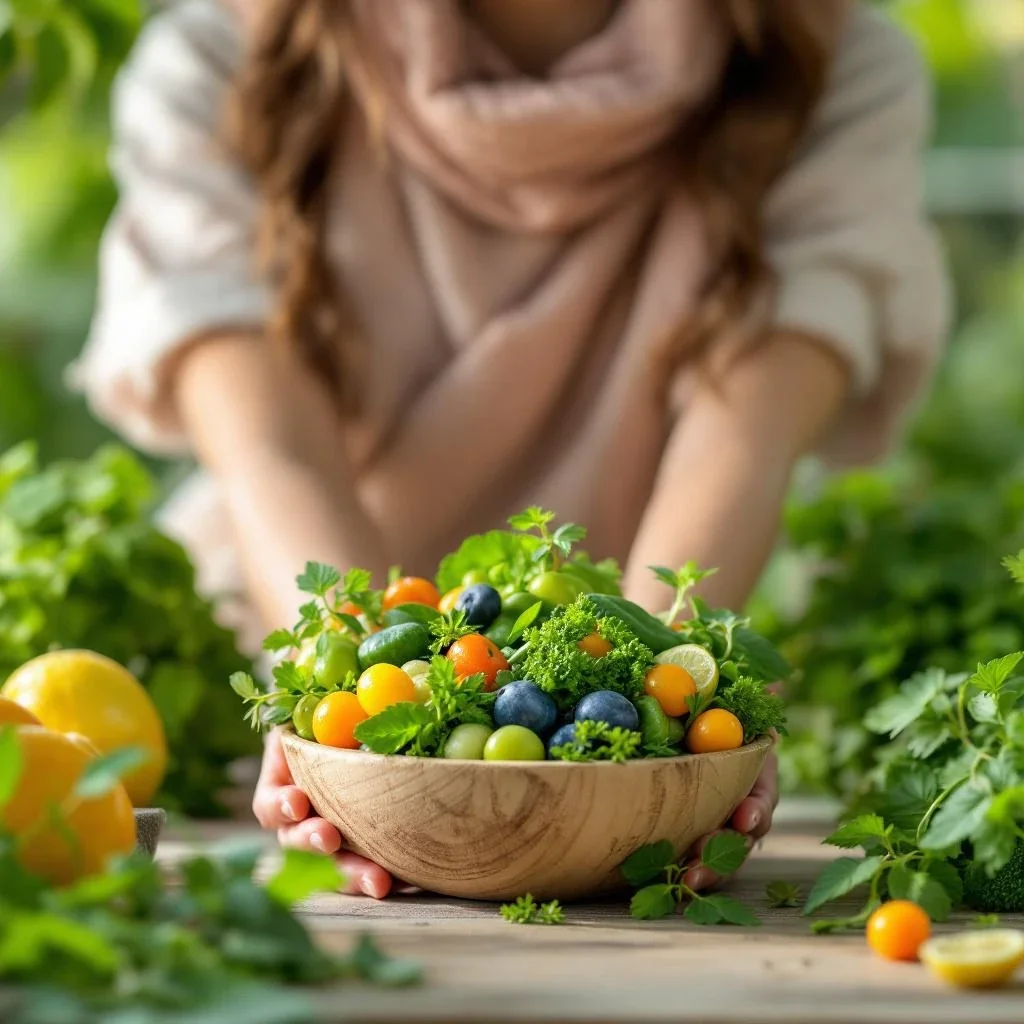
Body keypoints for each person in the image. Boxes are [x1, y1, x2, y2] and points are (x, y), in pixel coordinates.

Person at [77, 0, 949, 898]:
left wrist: (681, 710)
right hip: (274, 673)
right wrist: (333, 727)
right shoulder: (225, 54)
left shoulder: (828, 58)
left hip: (623, 663)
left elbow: (739, 442)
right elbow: (272, 453)